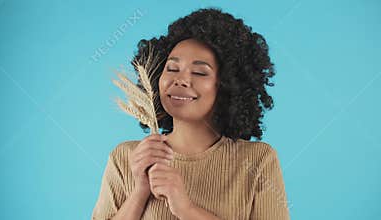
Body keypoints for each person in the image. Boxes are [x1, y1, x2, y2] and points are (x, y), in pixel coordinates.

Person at [92, 7, 290, 220]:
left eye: (199, 72)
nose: (181, 79)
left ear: (227, 85)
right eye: (172, 68)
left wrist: (186, 209)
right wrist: (140, 190)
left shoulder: (258, 160)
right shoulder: (125, 157)